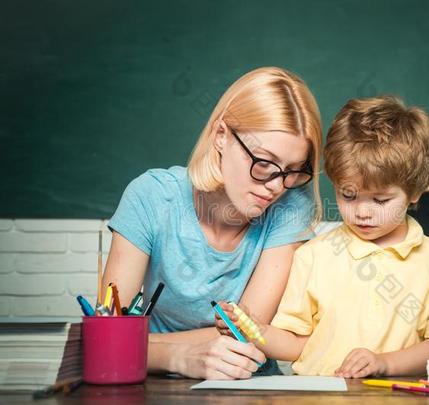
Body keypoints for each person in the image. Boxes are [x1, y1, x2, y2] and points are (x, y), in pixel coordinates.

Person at [217, 95, 429, 377]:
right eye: (348, 195)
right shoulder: (313, 255)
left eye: (380, 200)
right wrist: (254, 331)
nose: (362, 212)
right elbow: (297, 344)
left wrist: (385, 363)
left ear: (414, 192)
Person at [102, 67, 323, 379]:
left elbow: (244, 332)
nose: (276, 186)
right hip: (152, 384)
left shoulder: (291, 206)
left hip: (247, 386)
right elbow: (106, 339)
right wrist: (178, 356)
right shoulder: (151, 196)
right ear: (222, 136)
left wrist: (139, 344)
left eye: (293, 170)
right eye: (264, 164)